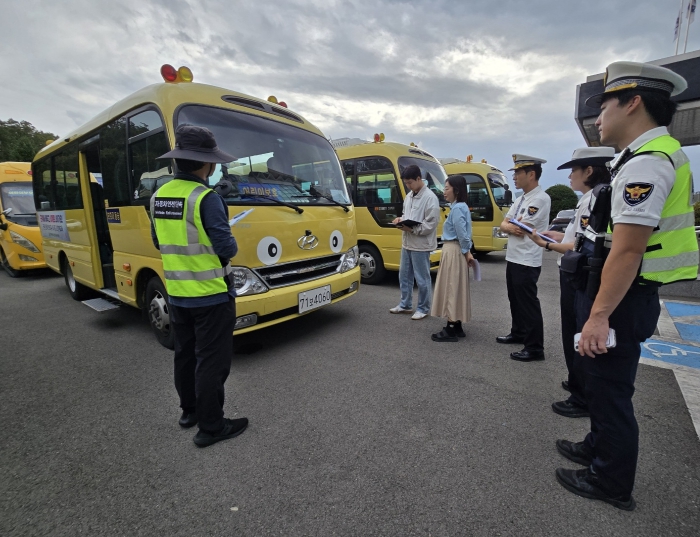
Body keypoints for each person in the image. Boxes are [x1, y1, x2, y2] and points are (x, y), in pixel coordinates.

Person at [555, 61, 697, 510]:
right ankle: (596, 447)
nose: (598, 118)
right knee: (601, 385)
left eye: (605, 106)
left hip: (623, 297)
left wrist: (598, 315)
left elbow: (629, 250)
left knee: (611, 390)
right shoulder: (643, 158)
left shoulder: (648, 164)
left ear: (633, 102)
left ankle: (610, 481)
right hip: (624, 293)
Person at [150, 124, 249, 448]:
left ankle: (189, 412)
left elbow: (158, 241)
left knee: (185, 355)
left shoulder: (158, 197)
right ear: (205, 163)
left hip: (177, 293)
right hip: (211, 295)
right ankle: (211, 427)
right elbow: (227, 248)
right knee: (211, 362)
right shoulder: (207, 198)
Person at [526, 147, 613, 418]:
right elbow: (577, 238)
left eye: (573, 170)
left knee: (575, 333)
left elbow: (581, 246)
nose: (569, 177)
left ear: (589, 171)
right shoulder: (590, 198)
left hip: (578, 275)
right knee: (573, 331)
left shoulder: (593, 199)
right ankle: (577, 381)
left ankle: (581, 395)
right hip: (577, 273)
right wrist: (558, 236)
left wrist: (547, 244)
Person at [496, 155, 551, 361]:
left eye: (518, 173)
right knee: (515, 300)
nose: (514, 177)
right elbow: (505, 223)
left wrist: (511, 226)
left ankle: (535, 347)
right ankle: (518, 332)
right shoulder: (521, 199)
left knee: (528, 304)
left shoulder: (540, 199)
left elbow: (523, 228)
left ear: (531, 174)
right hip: (514, 257)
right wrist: (510, 225)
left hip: (527, 259)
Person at [390, 164, 440, 320]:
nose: (408, 186)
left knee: (422, 278)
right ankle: (405, 304)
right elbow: (407, 215)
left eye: (410, 182)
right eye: (406, 183)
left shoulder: (430, 198)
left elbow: (431, 224)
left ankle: (423, 308)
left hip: (421, 245)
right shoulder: (409, 196)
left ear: (419, 179)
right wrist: (400, 220)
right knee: (404, 276)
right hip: (407, 243)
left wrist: (412, 229)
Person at [430, 175, 476, 341]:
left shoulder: (457, 209)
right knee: (456, 286)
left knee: (450, 286)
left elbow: (461, 233)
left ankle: (450, 328)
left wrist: (467, 251)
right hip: (458, 250)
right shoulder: (462, 206)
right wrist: (467, 251)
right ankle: (457, 324)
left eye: (447, 188)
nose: (444, 192)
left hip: (453, 249)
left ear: (456, 190)